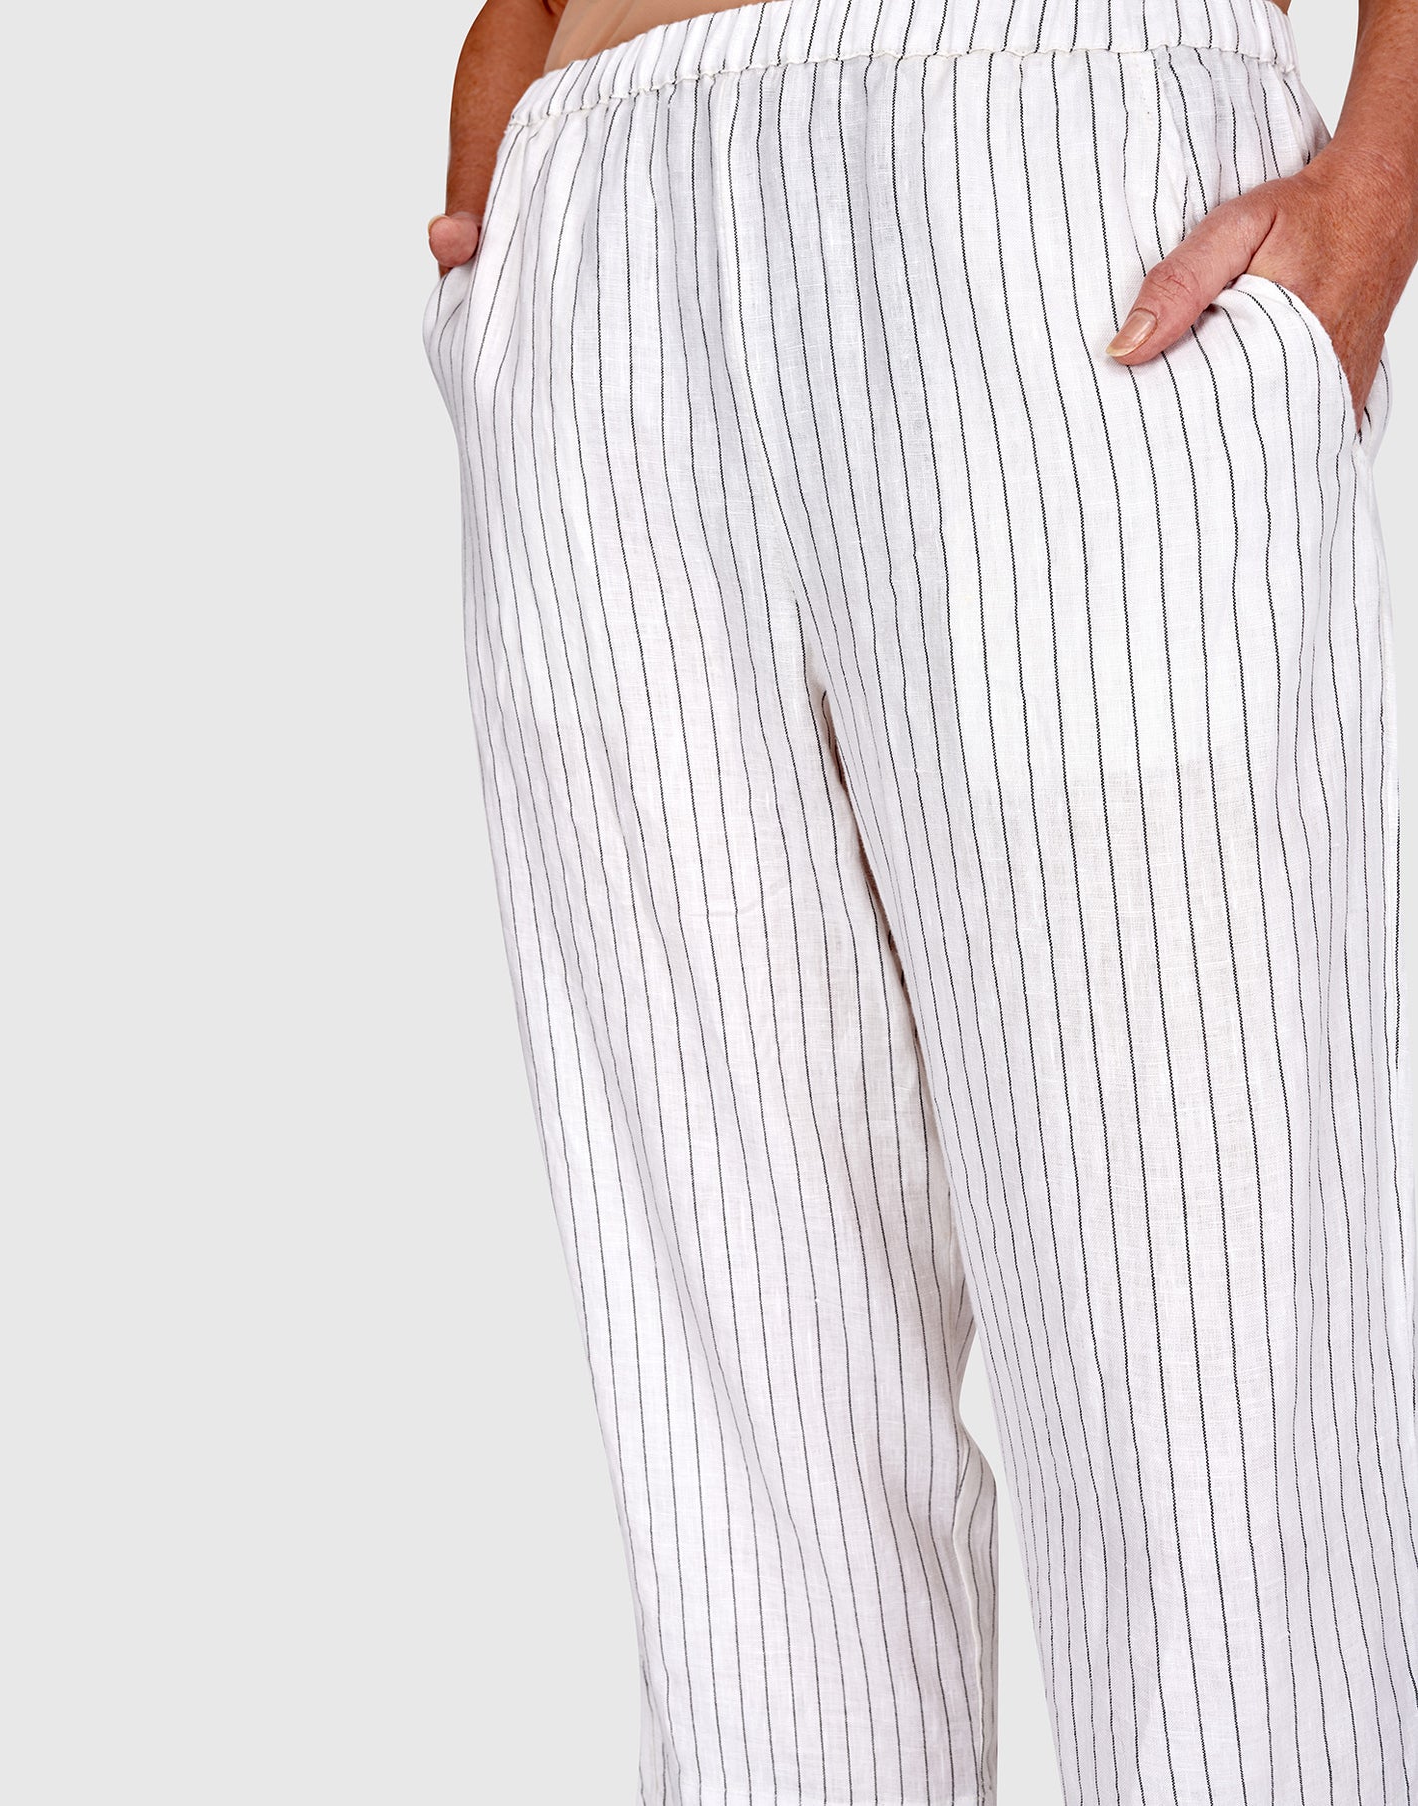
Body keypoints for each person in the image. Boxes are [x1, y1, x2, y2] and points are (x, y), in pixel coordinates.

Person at [422, 0, 1418, 1797]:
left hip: (1057, 167)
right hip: (598, 206)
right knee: (744, 1512)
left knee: (1210, 1438)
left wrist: (1379, 188)